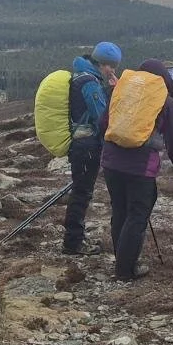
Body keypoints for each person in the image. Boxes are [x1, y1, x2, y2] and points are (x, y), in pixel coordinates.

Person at [99, 59, 173, 281]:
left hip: (111, 164)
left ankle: (122, 260)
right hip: (140, 168)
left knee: (120, 211)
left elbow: (104, 124)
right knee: (137, 216)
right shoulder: (165, 102)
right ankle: (125, 270)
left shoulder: (120, 90)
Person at [61, 41, 121, 255]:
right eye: (110, 66)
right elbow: (102, 117)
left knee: (80, 191)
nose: (112, 71)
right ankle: (73, 243)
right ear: (102, 63)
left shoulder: (80, 75)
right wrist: (115, 92)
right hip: (86, 146)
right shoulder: (90, 83)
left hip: (79, 144)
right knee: (82, 193)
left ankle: (73, 240)